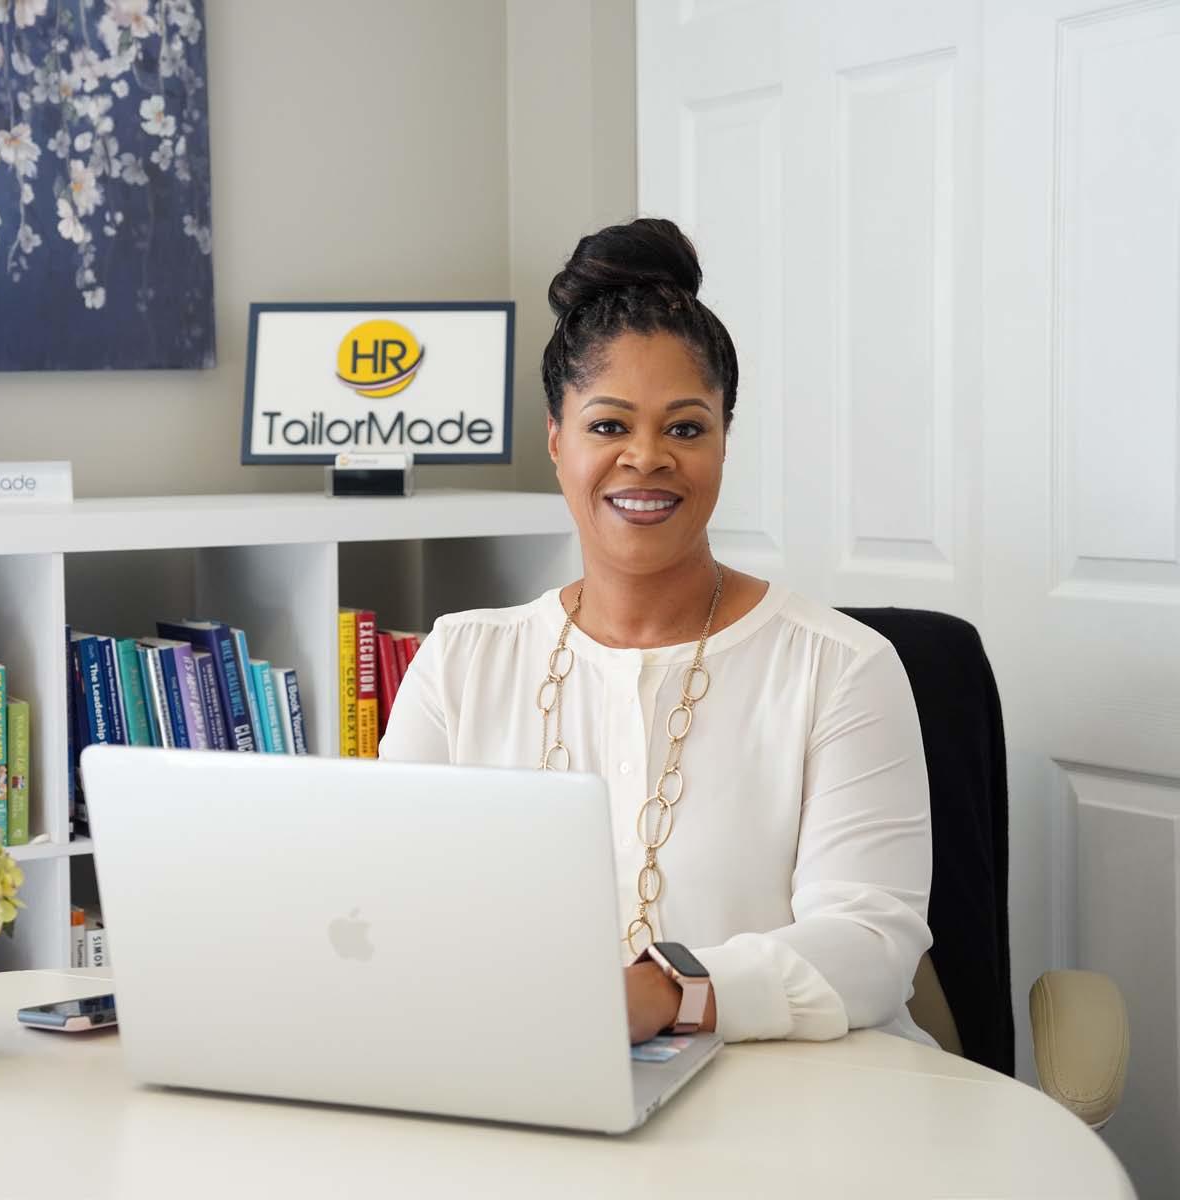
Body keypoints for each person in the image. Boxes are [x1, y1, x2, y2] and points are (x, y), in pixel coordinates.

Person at [379, 217, 934, 1048]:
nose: (646, 457)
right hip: (534, 1071)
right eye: (609, 426)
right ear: (557, 440)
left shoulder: (843, 667)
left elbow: (869, 944)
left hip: (804, 1089)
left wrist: (662, 994)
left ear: (724, 442)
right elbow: (394, 905)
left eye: (685, 427)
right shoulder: (459, 663)